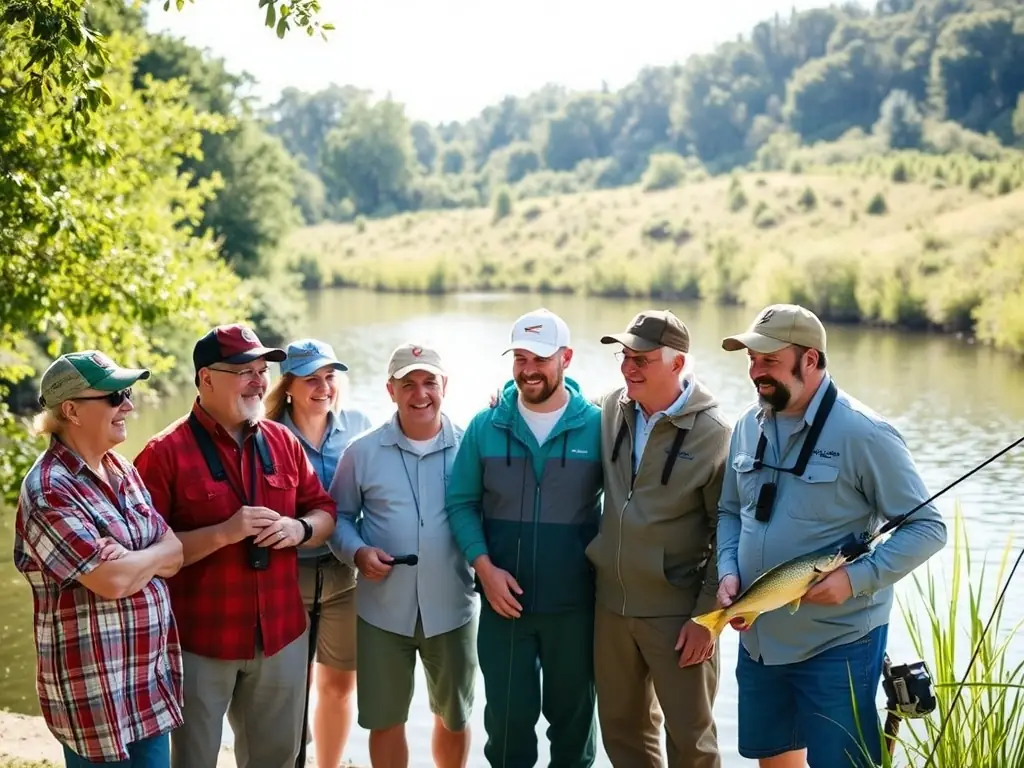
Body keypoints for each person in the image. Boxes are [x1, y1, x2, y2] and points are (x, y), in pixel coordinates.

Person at [716, 303, 948, 768]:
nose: (757, 372)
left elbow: (928, 528)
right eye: (752, 360)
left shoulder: (865, 434)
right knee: (775, 762)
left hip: (838, 645)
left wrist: (854, 579)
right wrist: (727, 570)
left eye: (769, 361)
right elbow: (729, 511)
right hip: (760, 640)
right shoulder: (746, 424)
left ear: (811, 360)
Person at [133, 323, 338, 768]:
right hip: (200, 642)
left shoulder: (284, 441)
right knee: (194, 761)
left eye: (262, 370)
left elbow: (324, 511)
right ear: (206, 378)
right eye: (245, 370)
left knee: (278, 759)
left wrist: (299, 530)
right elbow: (143, 559)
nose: (259, 381)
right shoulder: (161, 453)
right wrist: (224, 532)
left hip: (282, 636)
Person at [446, 308, 603, 768]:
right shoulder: (485, 425)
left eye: (539, 357)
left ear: (566, 358)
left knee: (573, 732)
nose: (527, 369)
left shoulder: (599, 425)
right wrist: (484, 568)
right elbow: (461, 503)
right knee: (508, 732)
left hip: (574, 608)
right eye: (518, 357)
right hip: (502, 607)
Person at [13, 351, 184, 767]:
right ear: (70, 410)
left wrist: (137, 557)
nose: (128, 405)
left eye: (126, 393)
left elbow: (175, 552)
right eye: (114, 397)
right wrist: (147, 558)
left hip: (145, 686)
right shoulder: (49, 490)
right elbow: (112, 582)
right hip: (96, 698)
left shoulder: (122, 468)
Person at [587, 309, 731, 768]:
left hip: (678, 615)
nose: (629, 367)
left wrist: (707, 618)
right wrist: (508, 395)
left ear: (676, 363)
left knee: (692, 743)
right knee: (623, 734)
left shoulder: (715, 435)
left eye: (641, 359)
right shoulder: (612, 407)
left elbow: (726, 529)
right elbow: (558, 405)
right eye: (624, 356)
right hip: (611, 607)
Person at [327, 342, 477, 768]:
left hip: (452, 610)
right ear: (390, 390)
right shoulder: (361, 451)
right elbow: (338, 517)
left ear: (444, 385)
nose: (420, 393)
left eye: (429, 382)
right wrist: (356, 553)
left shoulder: (471, 446)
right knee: (384, 719)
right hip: (381, 613)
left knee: (454, 717)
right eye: (407, 384)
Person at [265, 338, 372, 768]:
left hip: (345, 576)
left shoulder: (361, 423)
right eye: (311, 379)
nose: (324, 387)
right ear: (288, 385)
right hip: (285, 579)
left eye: (330, 377)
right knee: (291, 687)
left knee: (340, 686)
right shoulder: (267, 434)